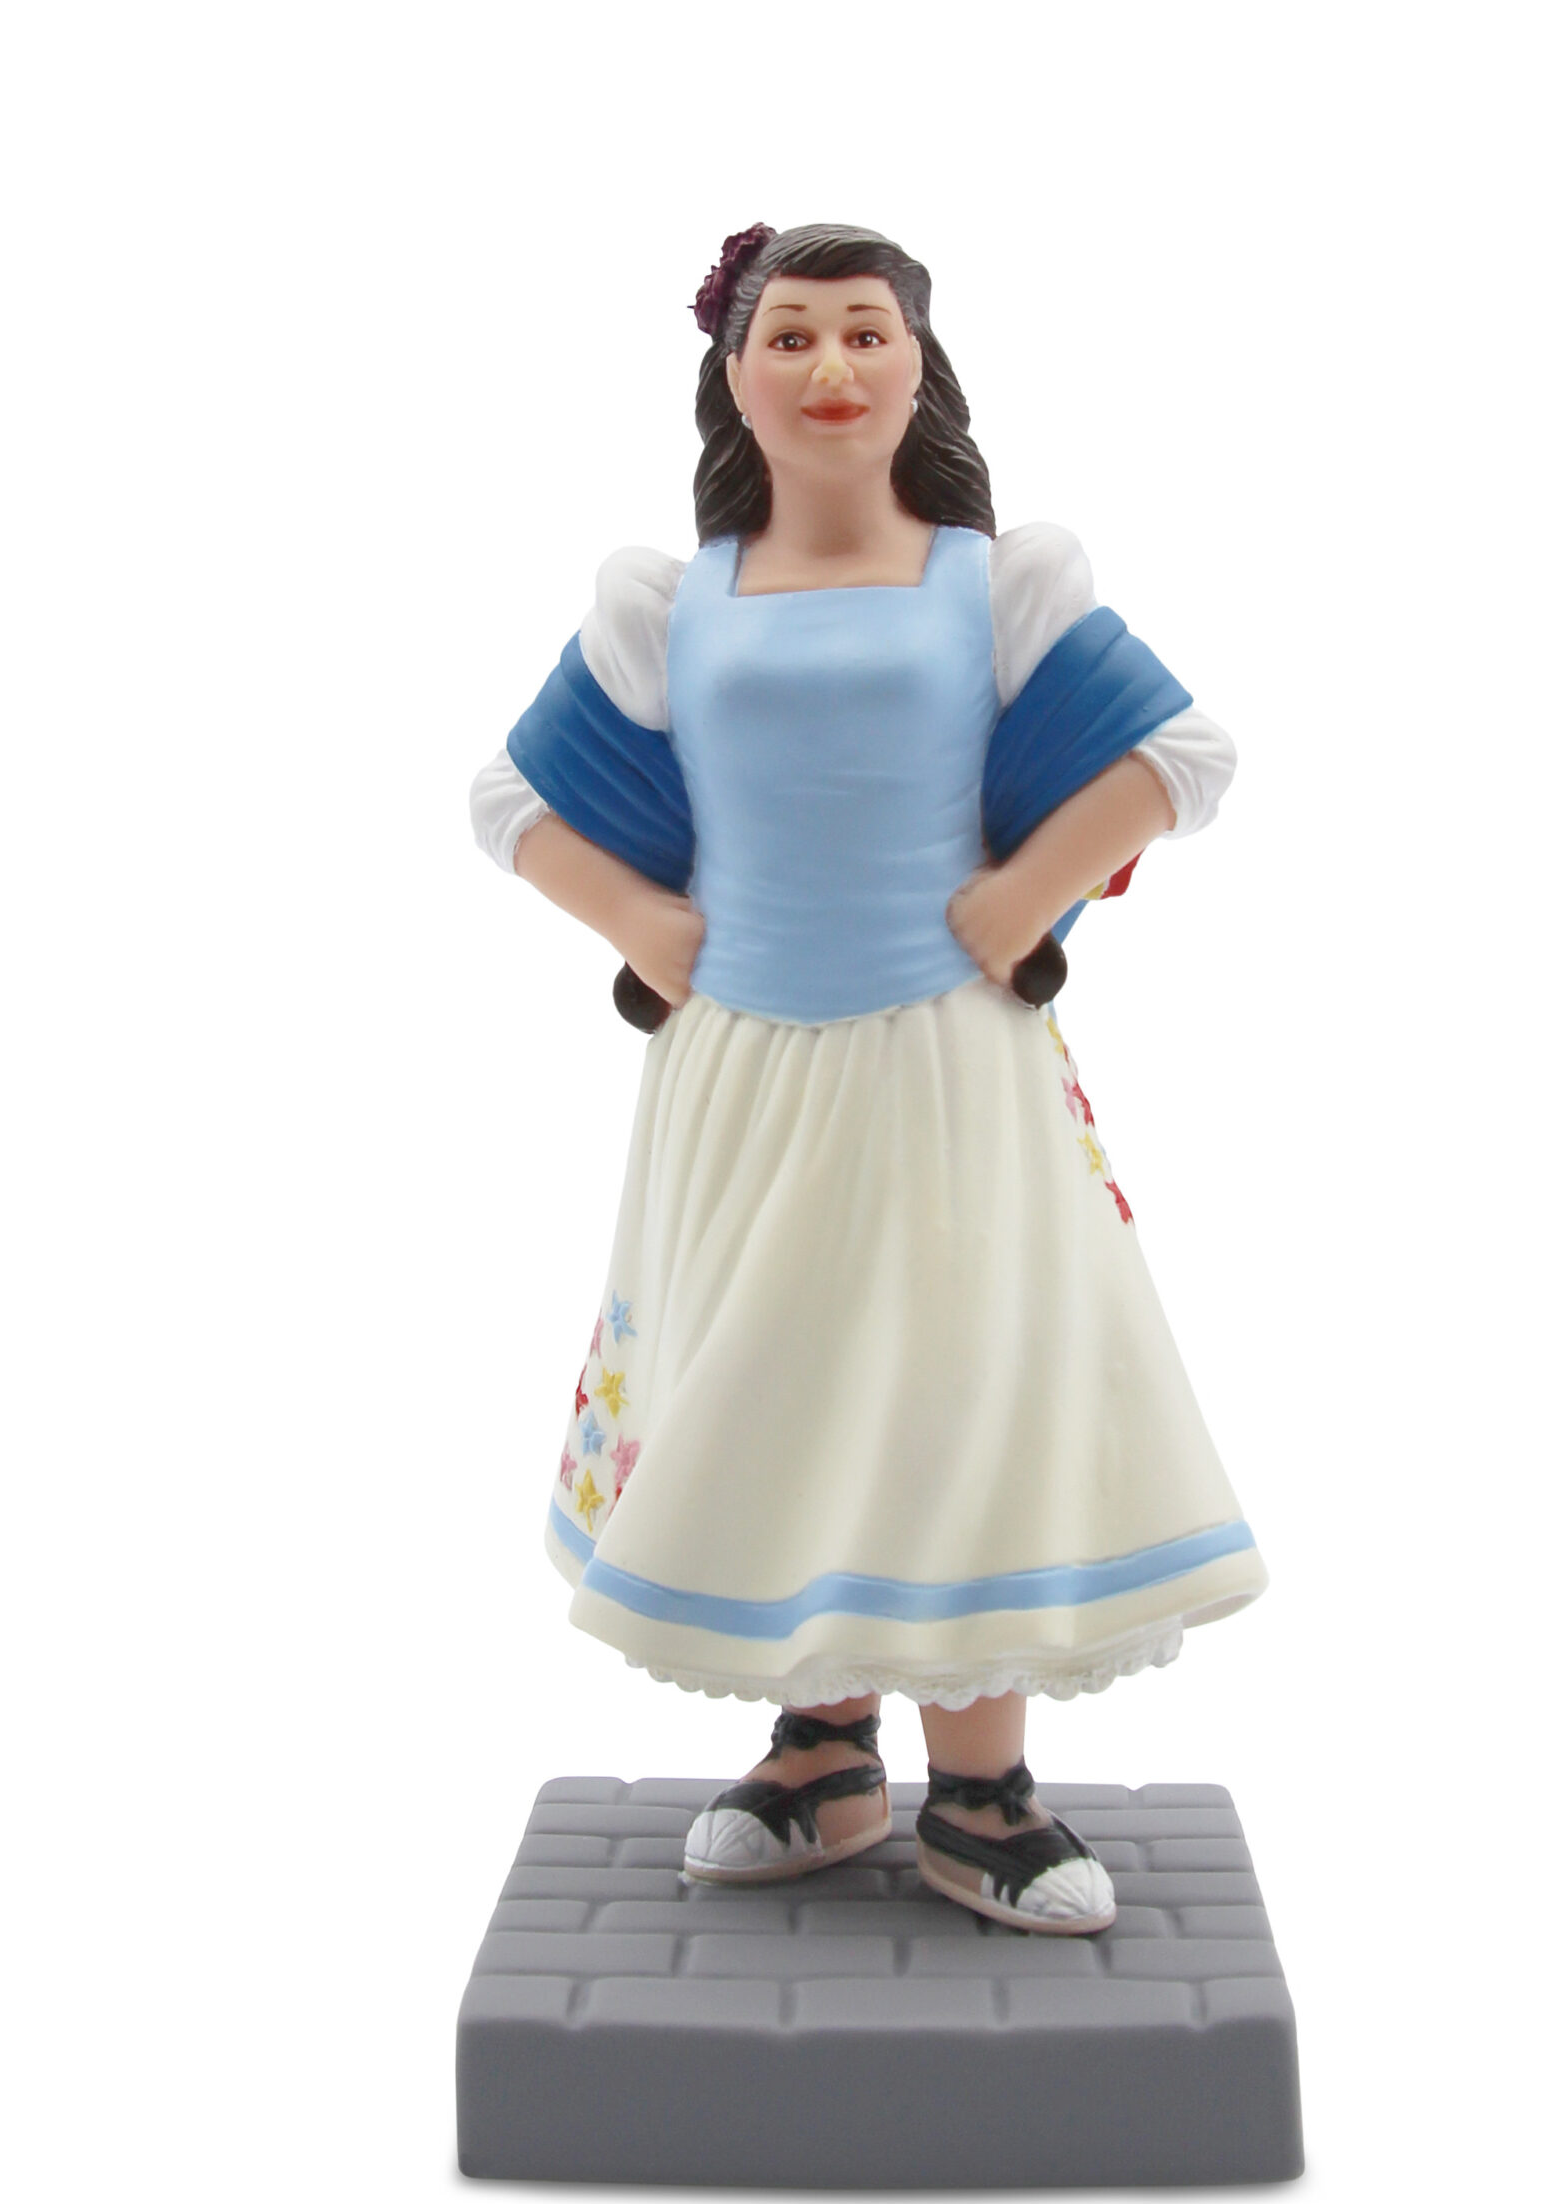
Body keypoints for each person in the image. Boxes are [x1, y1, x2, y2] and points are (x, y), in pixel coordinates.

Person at [469, 222, 1266, 1936]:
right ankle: (818, 1744)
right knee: (775, 1377)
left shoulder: (999, 585)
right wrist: (642, 923)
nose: (829, 368)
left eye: (861, 333)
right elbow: (511, 802)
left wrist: (1021, 893)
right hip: (742, 1076)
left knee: (961, 1383)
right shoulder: (666, 605)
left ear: (917, 366)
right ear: (733, 376)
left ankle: (982, 1782)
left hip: (944, 1068)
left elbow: (1181, 754)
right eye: (789, 336)